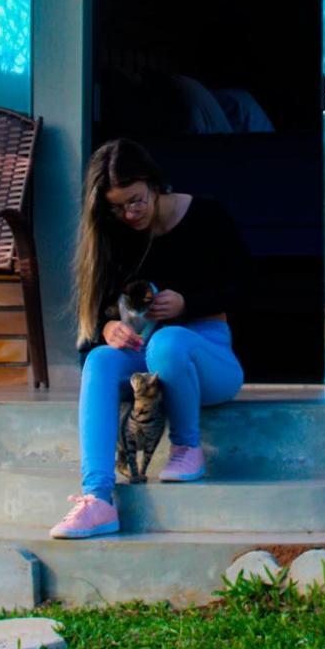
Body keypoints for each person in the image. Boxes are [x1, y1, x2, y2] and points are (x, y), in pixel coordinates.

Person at [49, 138, 247, 539]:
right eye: (117, 207)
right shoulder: (117, 234)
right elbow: (96, 321)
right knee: (100, 361)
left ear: (155, 183)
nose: (129, 213)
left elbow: (248, 288)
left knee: (169, 342)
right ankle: (98, 499)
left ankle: (187, 448)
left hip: (209, 358)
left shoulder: (208, 215)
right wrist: (107, 328)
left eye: (136, 201)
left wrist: (188, 304)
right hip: (147, 352)